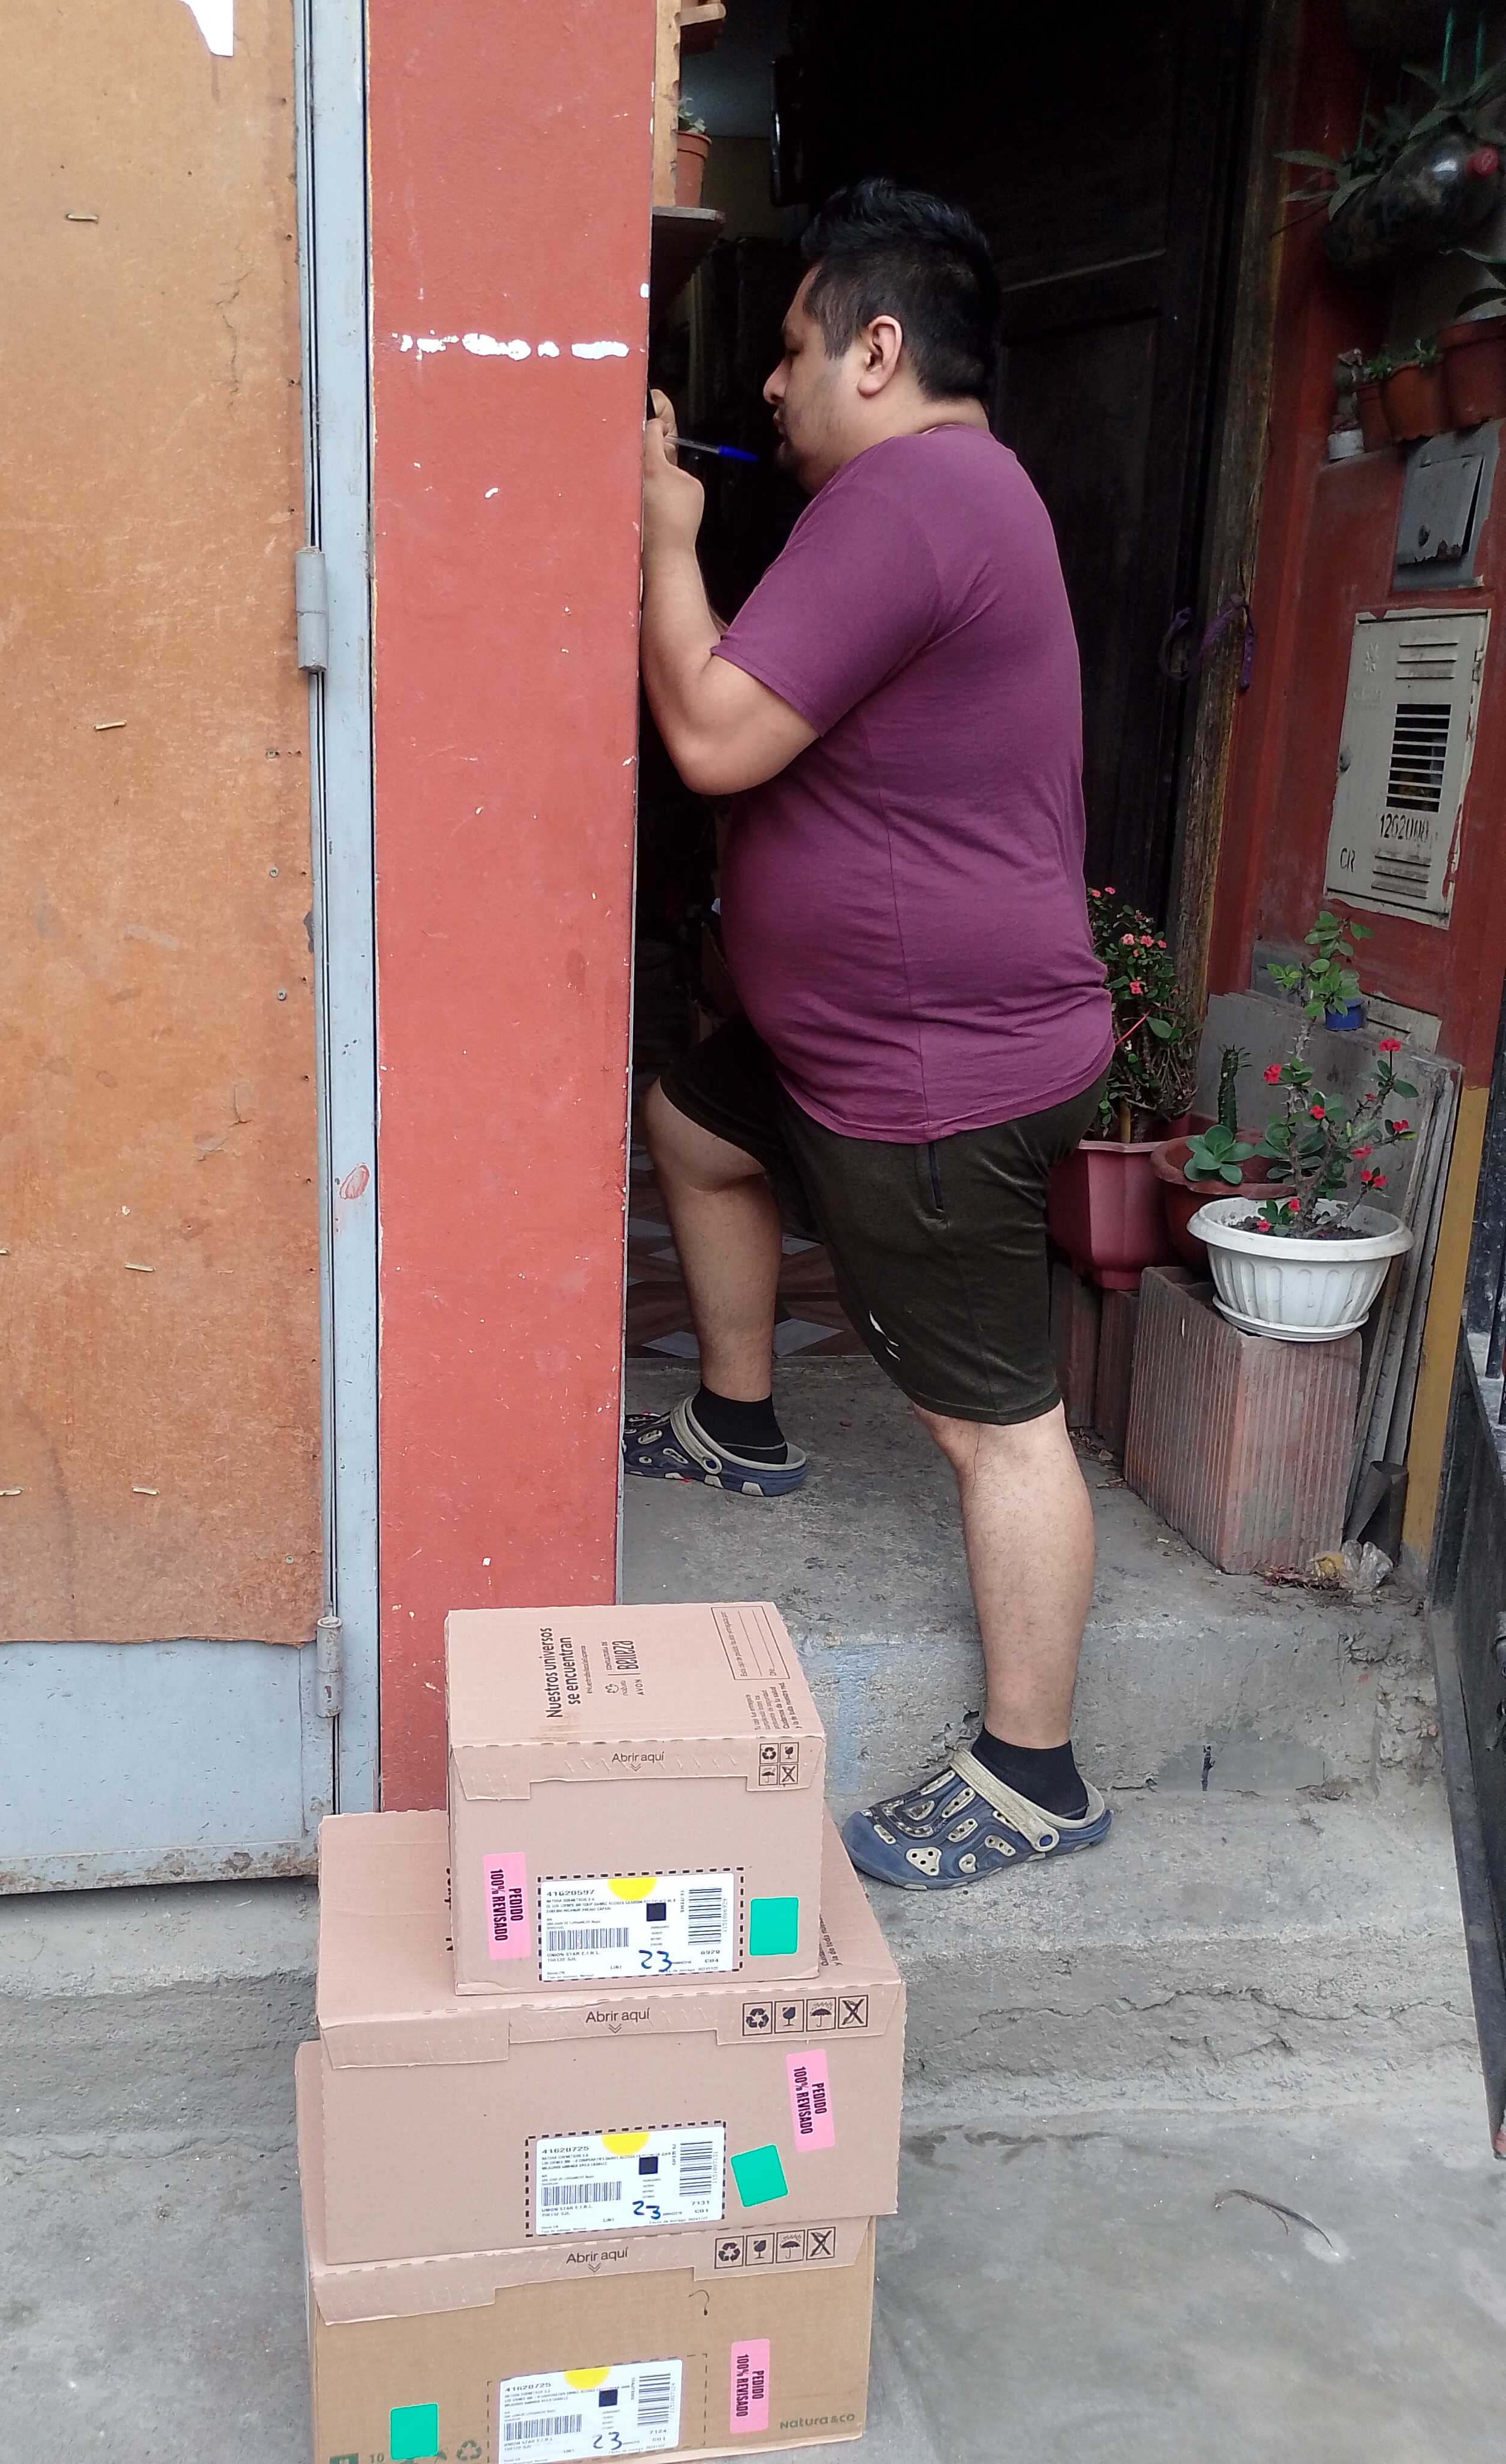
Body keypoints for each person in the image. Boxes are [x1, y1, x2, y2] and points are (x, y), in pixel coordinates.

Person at [631, 178, 1114, 1893]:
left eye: (791, 348)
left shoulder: (911, 499)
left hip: (934, 1072)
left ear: (879, 348)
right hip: (856, 1033)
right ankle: (739, 1421)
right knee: (696, 1125)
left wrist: (663, 538)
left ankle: (1034, 1773)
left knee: (995, 1426)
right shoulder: (954, 493)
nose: (770, 383)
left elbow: (712, 736)